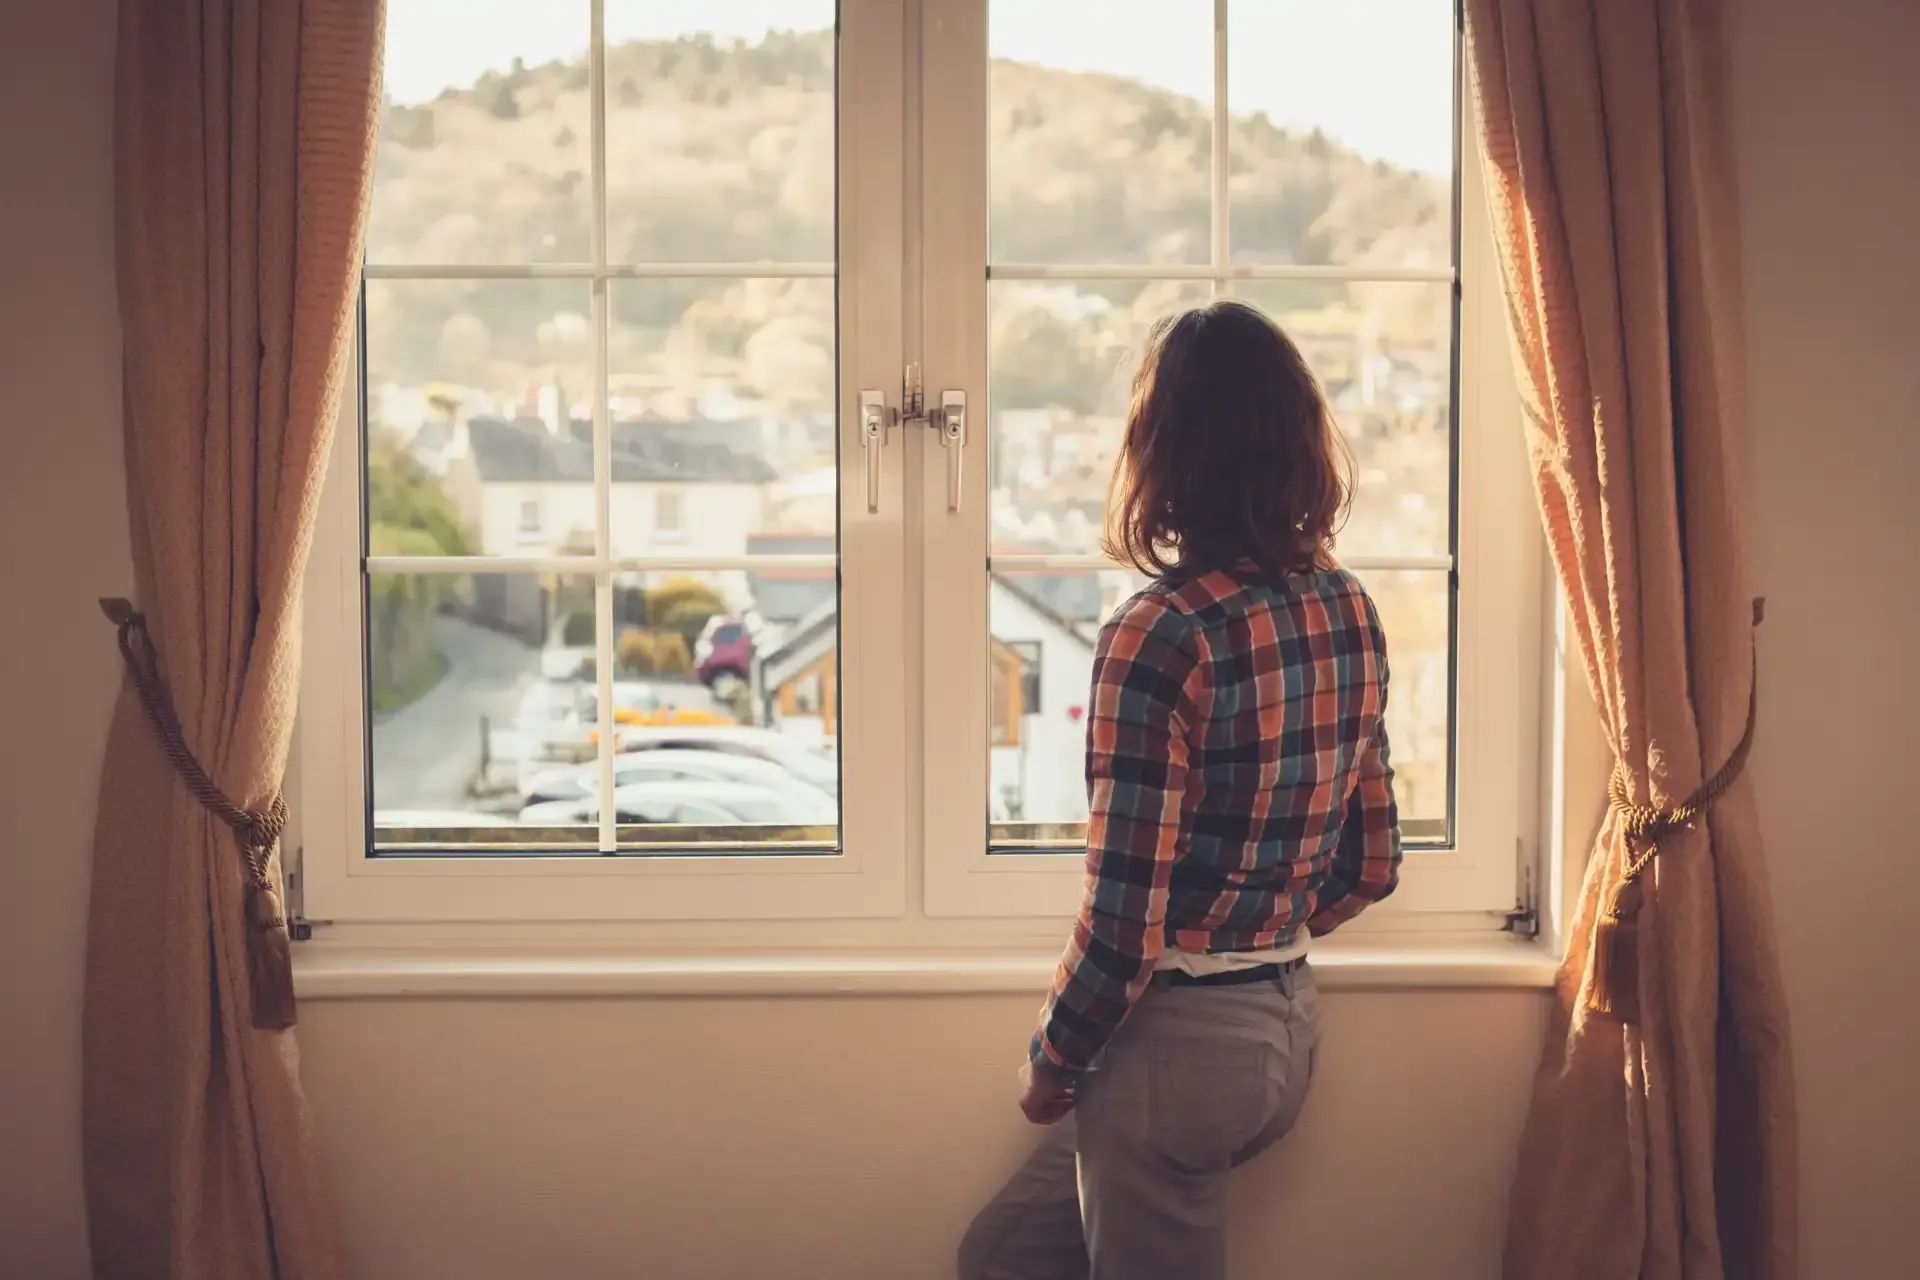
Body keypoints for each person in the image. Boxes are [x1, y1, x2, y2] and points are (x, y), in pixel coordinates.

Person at [959, 300, 1403, 1280]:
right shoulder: (1348, 606)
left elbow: (1126, 922)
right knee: (1004, 1253)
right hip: (1285, 1033)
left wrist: (1051, 1063)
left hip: (1181, 1049)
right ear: (1299, 441)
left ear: (1162, 454)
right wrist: (1259, 932)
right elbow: (1373, 865)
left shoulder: (1160, 633)